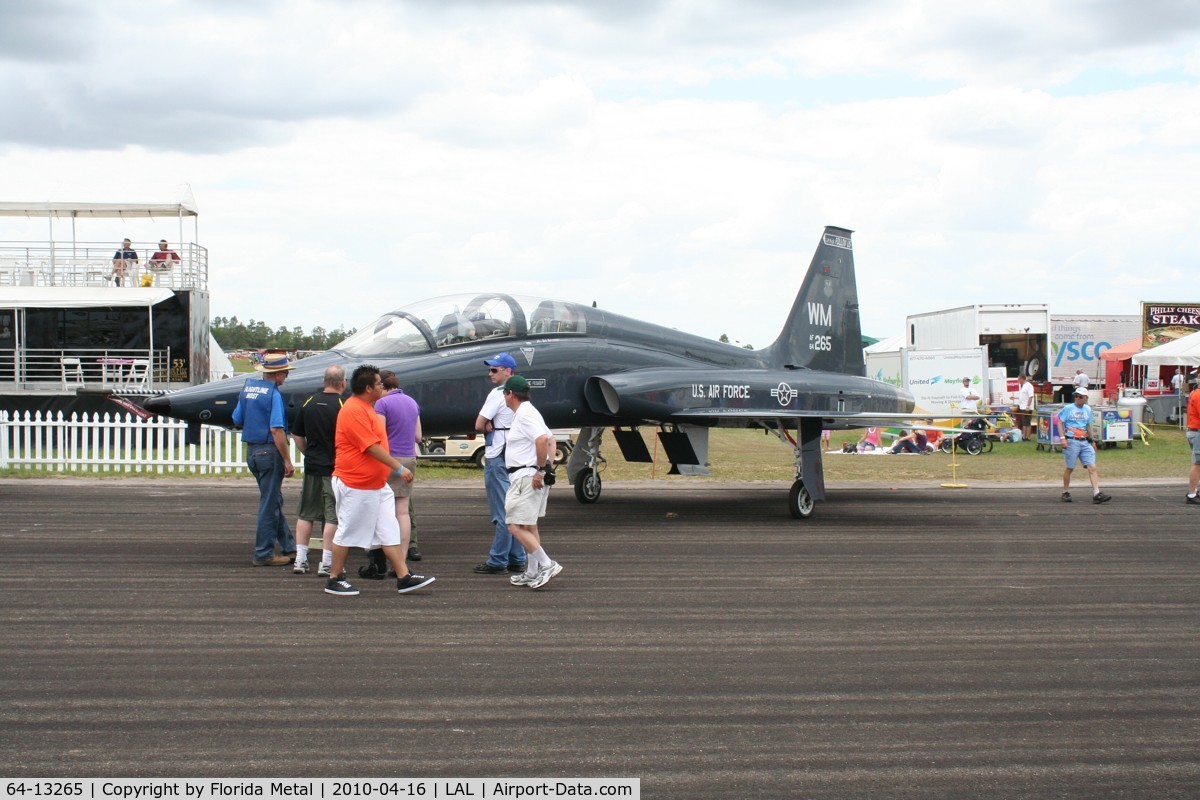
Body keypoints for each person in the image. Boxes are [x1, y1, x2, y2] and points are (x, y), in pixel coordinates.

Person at [324, 364, 435, 597]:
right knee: (347, 531)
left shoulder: (368, 407)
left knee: (388, 530)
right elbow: (370, 447)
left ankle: (404, 577)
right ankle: (334, 578)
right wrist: (398, 468)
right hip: (356, 483)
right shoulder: (353, 410)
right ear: (367, 388)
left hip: (375, 484)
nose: (381, 387)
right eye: (378, 384)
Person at [231, 352, 297, 566]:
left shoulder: (247, 389)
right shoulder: (274, 396)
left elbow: (237, 419)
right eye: (285, 372)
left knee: (273, 499)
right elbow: (277, 430)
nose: (286, 376)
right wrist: (287, 460)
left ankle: (289, 546)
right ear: (277, 374)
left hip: (252, 451)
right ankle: (264, 553)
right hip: (269, 452)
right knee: (269, 503)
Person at [501, 375, 562, 590]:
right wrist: (548, 467)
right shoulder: (531, 411)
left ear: (510, 394)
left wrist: (540, 470)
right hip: (529, 474)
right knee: (529, 525)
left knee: (515, 526)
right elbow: (551, 439)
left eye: (504, 394)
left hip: (525, 476)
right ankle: (532, 571)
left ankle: (547, 564)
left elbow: (542, 440)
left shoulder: (525, 413)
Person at [472, 352, 527, 575]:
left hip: (497, 453)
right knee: (513, 506)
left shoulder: (497, 394)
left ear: (508, 371)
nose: (490, 373)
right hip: (515, 453)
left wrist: (487, 424)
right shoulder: (521, 395)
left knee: (502, 511)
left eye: (495, 370)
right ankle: (517, 557)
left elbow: (478, 424)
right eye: (490, 369)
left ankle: (497, 560)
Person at [363, 369, 423, 575]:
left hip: (389, 459)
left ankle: (380, 557)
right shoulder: (412, 402)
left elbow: (378, 435)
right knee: (403, 511)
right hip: (409, 457)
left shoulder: (382, 403)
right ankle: (402, 557)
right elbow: (418, 436)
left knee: (381, 508)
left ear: (384, 387)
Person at [291, 365, 345, 577]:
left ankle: (300, 559)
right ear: (342, 383)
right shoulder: (342, 405)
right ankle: (326, 563)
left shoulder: (309, 403)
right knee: (332, 516)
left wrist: (307, 453)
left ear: (324, 381)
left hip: (312, 466)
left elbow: (296, 435)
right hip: (334, 468)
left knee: (306, 513)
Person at [1055, 386, 1111, 504]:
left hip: (1084, 441)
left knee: (1092, 467)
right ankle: (1065, 491)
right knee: (1070, 468)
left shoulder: (1087, 409)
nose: (1077, 398)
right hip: (1071, 441)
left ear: (1086, 398)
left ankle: (1096, 493)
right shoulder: (1068, 408)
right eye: (1076, 396)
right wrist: (1062, 438)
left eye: (1080, 397)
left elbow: (1088, 425)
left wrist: (1092, 440)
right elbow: (1059, 422)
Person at [1185, 376, 1200, 505]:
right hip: (1197, 432)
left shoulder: (1194, 392)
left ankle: (1194, 491)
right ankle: (1191, 493)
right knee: (1198, 464)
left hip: (1194, 431)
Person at [1016, 373, 1036, 440]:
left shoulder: (1028, 386)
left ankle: (1026, 436)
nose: (1018, 380)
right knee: (1024, 422)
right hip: (1022, 406)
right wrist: (1015, 398)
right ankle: (1024, 436)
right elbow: (1023, 396)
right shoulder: (1022, 386)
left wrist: (1028, 406)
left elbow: (1030, 396)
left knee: (1026, 422)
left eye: (1019, 379)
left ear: (1022, 379)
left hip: (1027, 407)